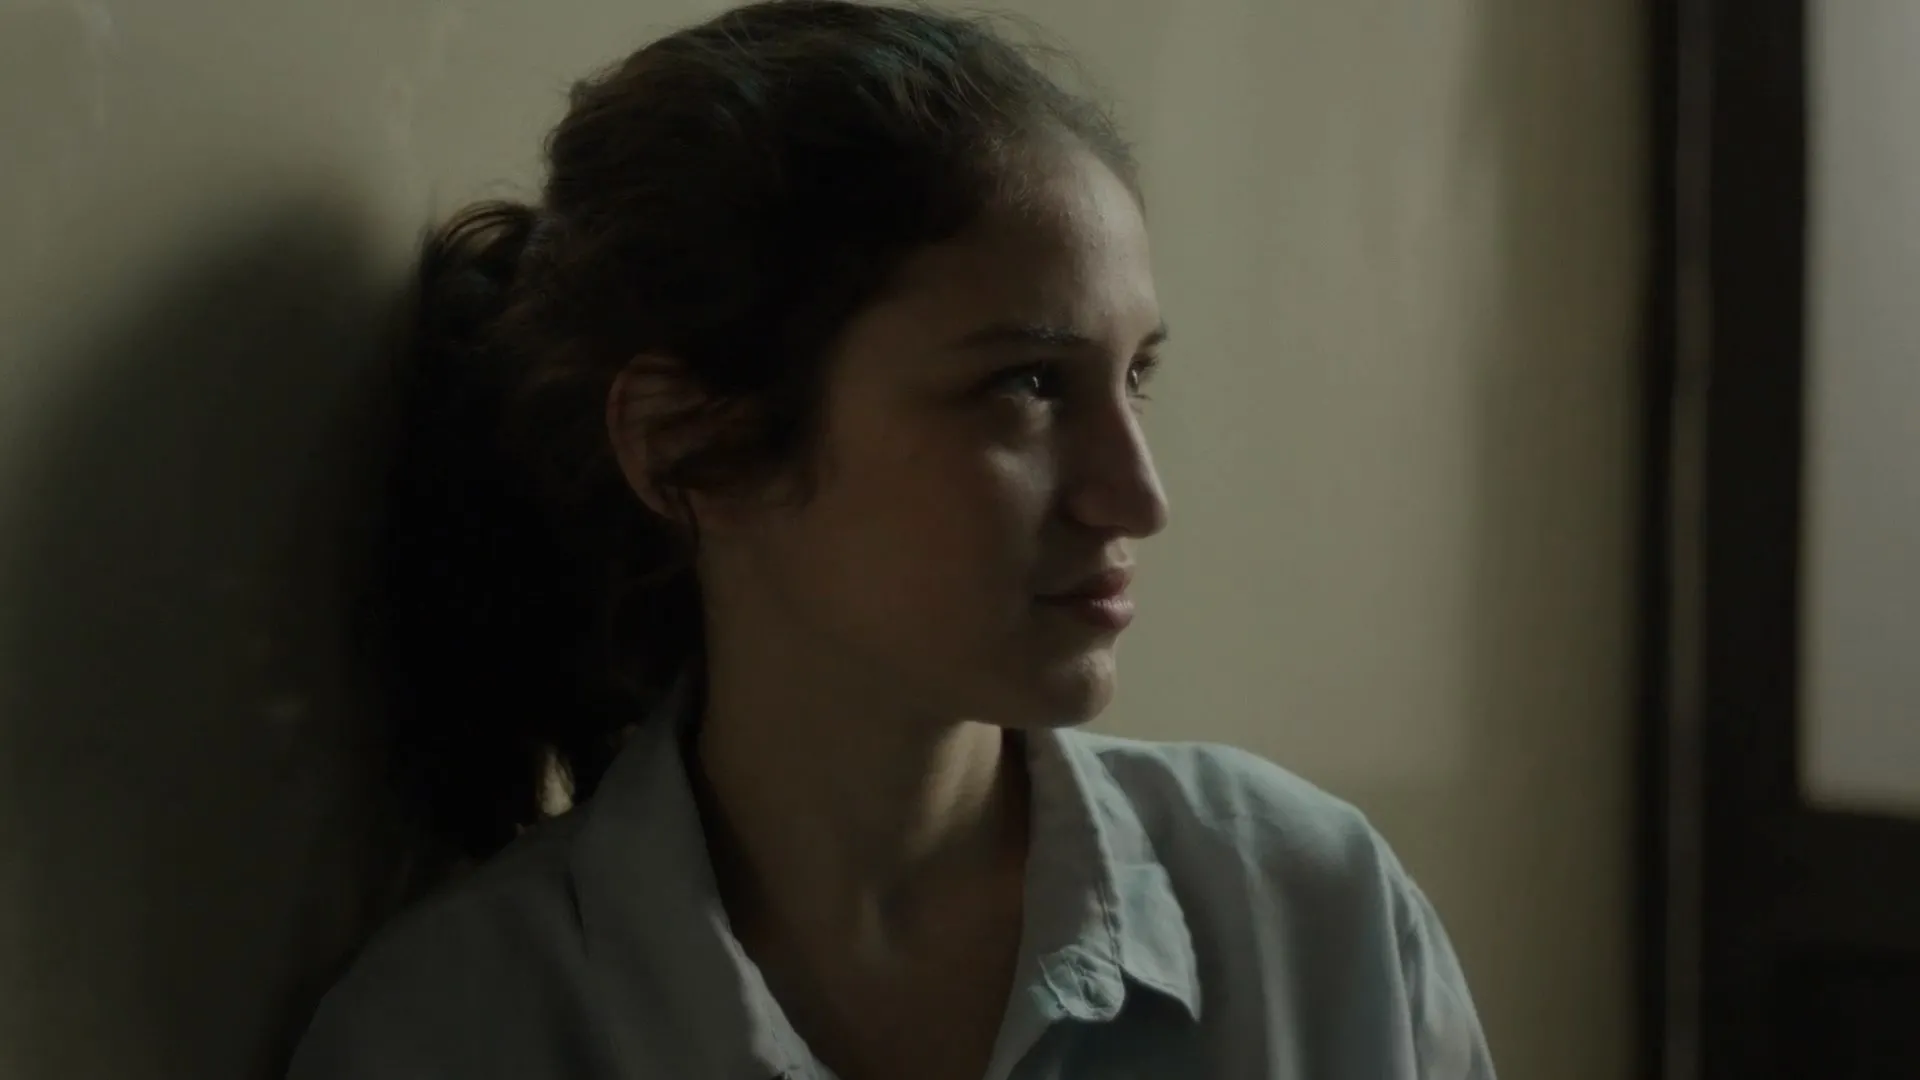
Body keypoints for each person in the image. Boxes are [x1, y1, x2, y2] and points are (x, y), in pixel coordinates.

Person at [287, 3, 1496, 1078]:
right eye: (1027, 385)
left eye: (1136, 376)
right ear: (687, 443)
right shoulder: (451, 1035)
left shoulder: (1308, 913)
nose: (1137, 497)